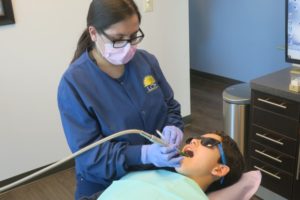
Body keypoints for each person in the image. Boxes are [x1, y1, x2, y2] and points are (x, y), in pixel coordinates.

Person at [57, 0, 184, 199]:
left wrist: (174, 127)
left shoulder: (147, 62)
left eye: (134, 37)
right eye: (118, 39)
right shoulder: (74, 83)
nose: (128, 46)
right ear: (93, 33)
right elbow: (91, 155)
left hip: (158, 171)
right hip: (106, 182)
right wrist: (143, 154)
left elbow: (170, 107)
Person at [98, 131, 246, 200]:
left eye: (208, 143)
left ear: (219, 169)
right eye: (195, 138)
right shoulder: (151, 167)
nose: (193, 141)